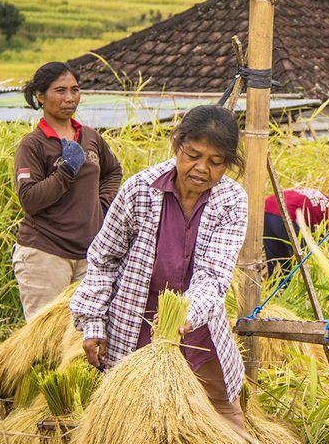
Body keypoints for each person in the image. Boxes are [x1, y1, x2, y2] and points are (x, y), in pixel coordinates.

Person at [70, 105, 249, 429]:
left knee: (223, 417)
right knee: (136, 420)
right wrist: (94, 323)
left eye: (215, 162)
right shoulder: (140, 190)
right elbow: (103, 259)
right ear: (177, 143)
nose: (201, 168)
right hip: (136, 325)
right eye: (193, 155)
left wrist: (185, 313)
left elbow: (214, 275)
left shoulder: (231, 200)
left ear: (228, 164)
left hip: (198, 330)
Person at [13, 62, 122, 321]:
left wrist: (102, 205)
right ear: (40, 96)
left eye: (75, 90)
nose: (69, 98)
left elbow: (113, 171)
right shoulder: (33, 145)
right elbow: (30, 200)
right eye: (60, 91)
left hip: (88, 255)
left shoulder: (90, 137)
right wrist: (66, 171)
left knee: (82, 334)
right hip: (45, 255)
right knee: (45, 338)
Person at [263, 188, 329, 277]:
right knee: (306, 260)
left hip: (266, 209)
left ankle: (278, 289)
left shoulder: (325, 199)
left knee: (277, 262)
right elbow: (320, 242)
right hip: (288, 215)